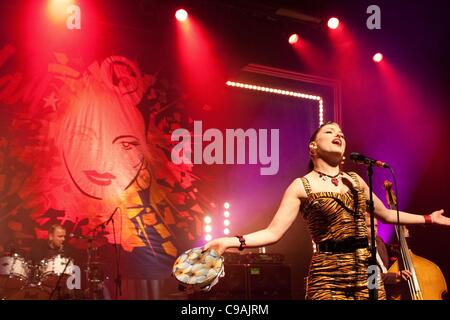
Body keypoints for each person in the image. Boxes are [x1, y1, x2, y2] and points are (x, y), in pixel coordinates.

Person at [203, 122, 450, 300]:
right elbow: (272, 233)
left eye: (341, 133)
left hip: (366, 271)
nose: (338, 135)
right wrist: (229, 241)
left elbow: (386, 214)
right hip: (327, 272)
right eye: (330, 131)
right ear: (313, 147)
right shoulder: (302, 185)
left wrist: (430, 219)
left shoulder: (355, 180)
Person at [364, 212, 412, 291]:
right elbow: (370, 277)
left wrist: (405, 237)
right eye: (369, 226)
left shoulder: (378, 240)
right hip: (375, 290)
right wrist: (395, 276)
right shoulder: (359, 249)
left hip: (389, 287)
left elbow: (396, 251)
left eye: (376, 226)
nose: (374, 229)